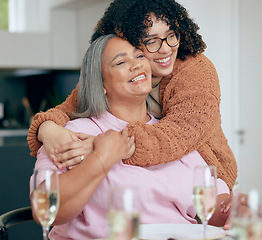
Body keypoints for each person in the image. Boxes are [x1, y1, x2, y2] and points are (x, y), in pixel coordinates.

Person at [30, 34, 230, 239]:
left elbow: (213, 207)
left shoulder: (171, 135)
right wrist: (102, 158)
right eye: (121, 61)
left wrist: (237, 212)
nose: (136, 65)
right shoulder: (70, 136)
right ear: (101, 84)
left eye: (140, 56)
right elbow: (46, 211)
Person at [26, 0, 238, 191]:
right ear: (130, 40)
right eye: (151, 40)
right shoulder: (116, 74)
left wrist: (103, 146)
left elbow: (178, 135)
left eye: (171, 35)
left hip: (207, 180)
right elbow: (69, 108)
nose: (165, 50)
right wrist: (47, 130)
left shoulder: (196, 70)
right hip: (155, 176)